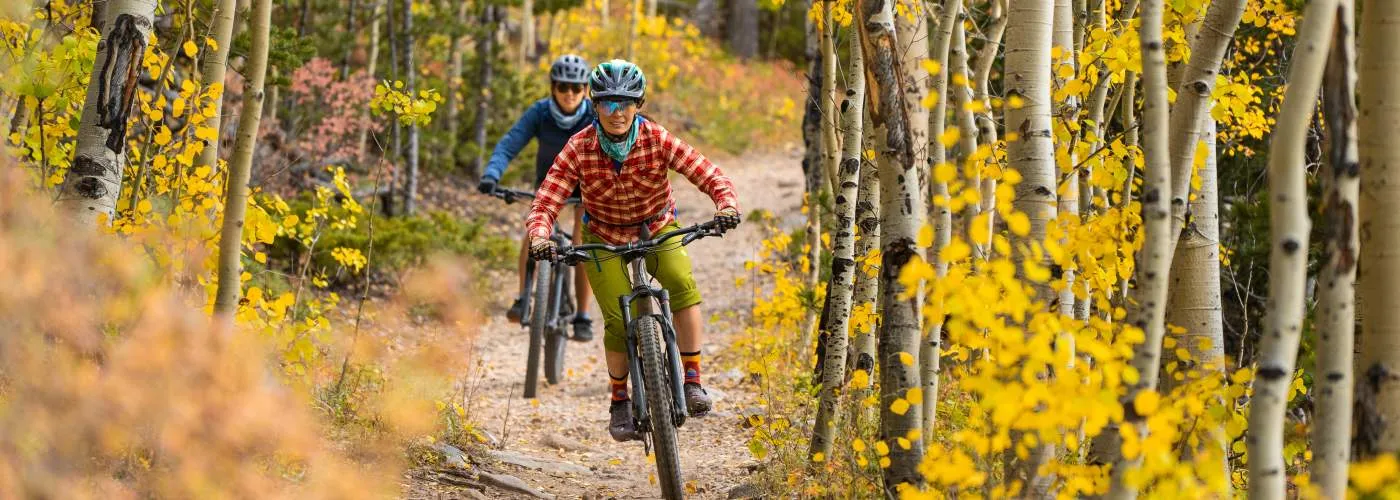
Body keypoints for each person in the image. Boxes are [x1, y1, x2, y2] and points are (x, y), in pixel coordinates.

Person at [524, 59, 741, 442]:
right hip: (602, 236)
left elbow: (705, 171)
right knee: (615, 317)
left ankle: (692, 380)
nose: (616, 111)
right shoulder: (580, 146)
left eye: (625, 103)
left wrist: (725, 204)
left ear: (638, 104)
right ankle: (619, 402)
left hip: (655, 227)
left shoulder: (657, 139)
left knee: (681, 284)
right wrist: (540, 235)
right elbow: (547, 199)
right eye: (607, 103)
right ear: (595, 104)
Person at [478, 54, 597, 341]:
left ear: (585, 90)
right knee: (534, 233)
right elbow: (510, 144)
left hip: (587, 188)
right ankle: (522, 297)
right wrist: (492, 174)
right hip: (549, 186)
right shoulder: (540, 113)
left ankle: (582, 315)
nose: (569, 94)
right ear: (553, 87)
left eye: (576, 88)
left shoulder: (594, 115)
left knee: (582, 244)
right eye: (563, 87)